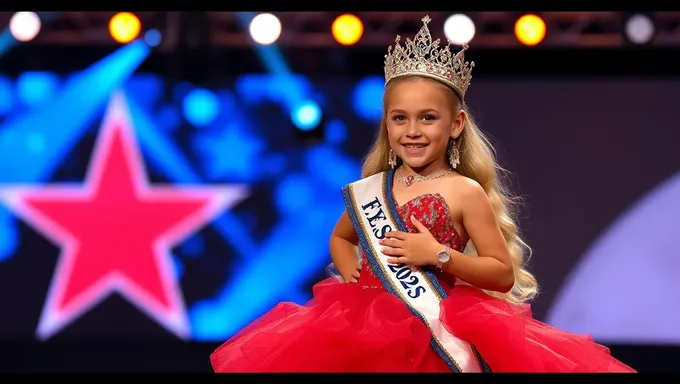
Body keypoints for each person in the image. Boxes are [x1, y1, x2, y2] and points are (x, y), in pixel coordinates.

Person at [209, 15, 637, 373]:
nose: (412, 131)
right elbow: (342, 238)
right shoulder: (372, 188)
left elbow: (500, 273)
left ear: (456, 124)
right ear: (387, 125)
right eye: (400, 118)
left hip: (438, 330)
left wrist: (437, 255)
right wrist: (356, 281)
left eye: (427, 118)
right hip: (364, 330)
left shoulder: (464, 190)